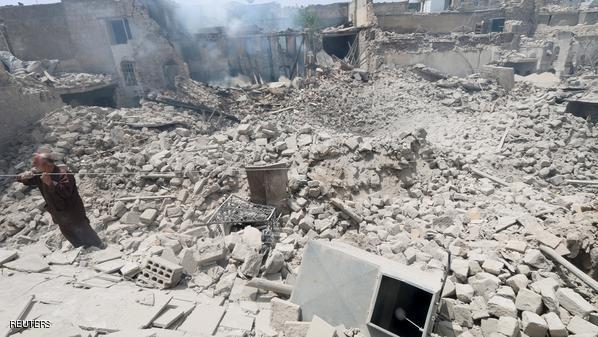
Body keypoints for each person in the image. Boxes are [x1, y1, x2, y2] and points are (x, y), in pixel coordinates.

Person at [17, 153, 103, 248]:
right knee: (75, 240)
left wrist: (50, 183)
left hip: (73, 214)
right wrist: (22, 177)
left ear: (46, 165)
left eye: (36, 164)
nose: (34, 167)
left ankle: (101, 248)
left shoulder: (64, 174)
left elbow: (65, 193)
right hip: (59, 215)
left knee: (88, 236)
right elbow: (22, 180)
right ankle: (85, 254)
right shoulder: (40, 175)